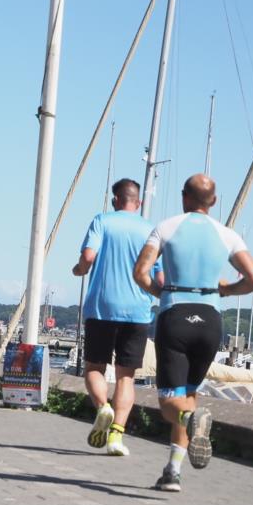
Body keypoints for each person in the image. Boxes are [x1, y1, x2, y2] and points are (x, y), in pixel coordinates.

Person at [134, 174, 253, 493]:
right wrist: (228, 291)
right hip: (210, 319)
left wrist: (157, 292)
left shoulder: (165, 227)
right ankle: (173, 471)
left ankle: (191, 422)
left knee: (169, 402)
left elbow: (140, 271)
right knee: (189, 397)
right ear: (214, 201)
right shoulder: (228, 235)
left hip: (175, 313)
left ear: (184, 197)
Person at [72, 179, 161, 457]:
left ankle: (103, 408)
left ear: (115, 200)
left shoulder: (103, 221)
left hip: (102, 308)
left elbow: (88, 256)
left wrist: (79, 269)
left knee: (95, 368)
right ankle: (116, 438)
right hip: (138, 311)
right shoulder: (151, 230)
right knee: (126, 378)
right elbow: (159, 276)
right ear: (139, 202)